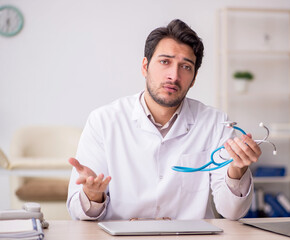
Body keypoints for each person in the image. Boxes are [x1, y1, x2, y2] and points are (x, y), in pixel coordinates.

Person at [67, 19, 261, 221]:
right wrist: (92, 194)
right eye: (165, 62)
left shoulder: (215, 123)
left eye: (185, 66)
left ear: (194, 78)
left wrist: (238, 169)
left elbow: (232, 212)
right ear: (145, 66)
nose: (173, 75)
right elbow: (78, 214)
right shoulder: (104, 121)